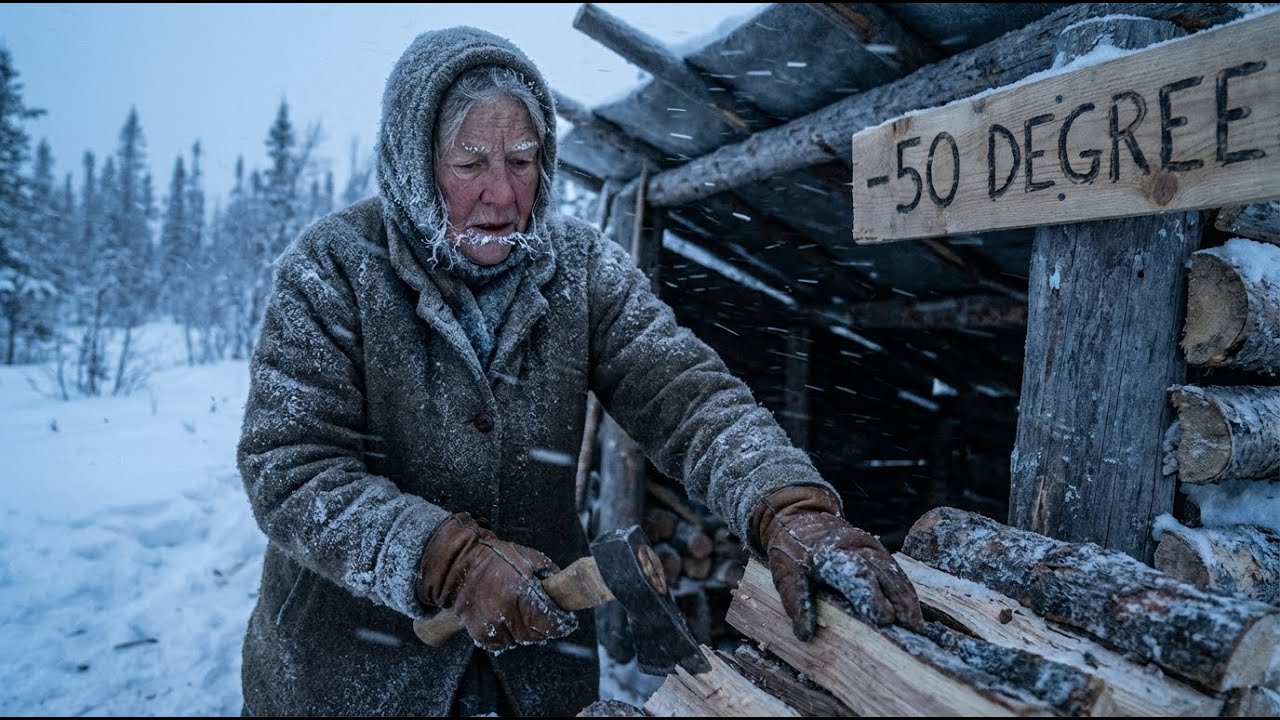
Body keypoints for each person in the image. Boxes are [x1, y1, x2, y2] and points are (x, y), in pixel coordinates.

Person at [235, 25, 923, 717]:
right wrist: (447, 560)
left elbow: (687, 396)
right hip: (349, 678)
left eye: (523, 160)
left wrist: (789, 507)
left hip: (535, 676)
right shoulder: (331, 271)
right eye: (471, 164)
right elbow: (289, 466)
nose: (503, 196)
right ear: (415, 162)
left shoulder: (580, 269)